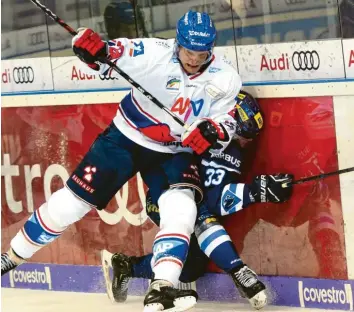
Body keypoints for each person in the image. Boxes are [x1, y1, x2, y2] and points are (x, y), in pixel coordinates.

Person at [1, 11, 242, 312]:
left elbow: (228, 122)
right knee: (70, 205)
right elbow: (109, 55)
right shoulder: (153, 53)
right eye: (189, 51)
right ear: (177, 44)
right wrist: (92, 50)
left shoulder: (226, 77)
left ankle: (162, 287)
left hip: (175, 151)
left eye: (201, 53)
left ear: (212, 49)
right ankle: (10, 258)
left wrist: (214, 131)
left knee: (182, 207)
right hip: (126, 139)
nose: (194, 59)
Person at [103, 91, 294, 310]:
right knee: (201, 211)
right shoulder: (199, 133)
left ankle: (127, 267)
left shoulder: (232, 150)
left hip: (192, 198)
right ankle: (238, 271)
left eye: (250, 137)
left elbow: (215, 195)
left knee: (192, 267)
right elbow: (212, 201)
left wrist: (262, 190)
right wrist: (255, 192)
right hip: (164, 197)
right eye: (242, 134)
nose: (246, 142)